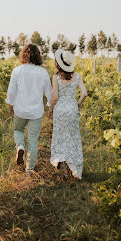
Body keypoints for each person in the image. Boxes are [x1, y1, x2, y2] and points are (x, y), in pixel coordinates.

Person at [6, 44, 52, 174]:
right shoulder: (43, 72)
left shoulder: (17, 70)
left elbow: (11, 91)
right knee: (33, 140)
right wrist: (50, 108)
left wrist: (10, 105)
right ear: (38, 56)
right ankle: (29, 169)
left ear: (23, 55)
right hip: (36, 112)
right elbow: (49, 93)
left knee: (18, 130)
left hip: (20, 109)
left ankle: (20, 146)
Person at [49, 49, 87, 179]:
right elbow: (84, 94)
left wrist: (50, 110)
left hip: (60, 110)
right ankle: (72, 168)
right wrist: (77, 104)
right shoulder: (77, 76)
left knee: (60, 137)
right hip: (72, 109)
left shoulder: (56, 77)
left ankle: (61, 160)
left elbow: (54, 97)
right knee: (73, 138)